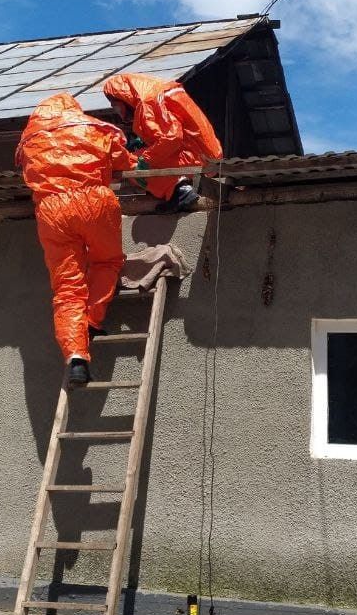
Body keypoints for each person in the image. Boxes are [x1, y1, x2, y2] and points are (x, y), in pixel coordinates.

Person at [16, 93, 135, 387]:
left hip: (51, 209)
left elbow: (25, 172)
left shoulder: (29, 138)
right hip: (93, 199)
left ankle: (76, 357)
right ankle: (92, 321)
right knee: (107, 261)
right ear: (73, 109)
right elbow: (125, 161)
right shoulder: (94, 127)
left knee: (67, 288)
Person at [102, 72, 223, 211]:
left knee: (129, 161)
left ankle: (179, 190)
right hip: (203, 154)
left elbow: (172, 138)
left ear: (123, 97)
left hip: (194, 157)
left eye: (115, 105)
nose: (118, 111)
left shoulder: (148, 102)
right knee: (142, 156)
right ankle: (169, 188)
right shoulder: (161, 91)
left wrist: (145, 160)